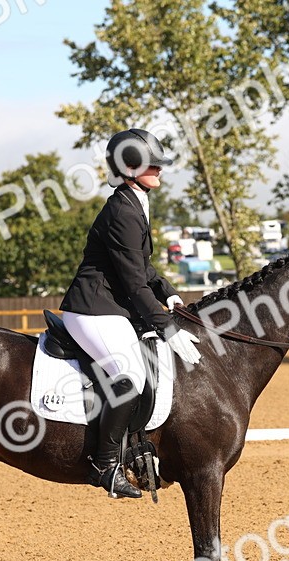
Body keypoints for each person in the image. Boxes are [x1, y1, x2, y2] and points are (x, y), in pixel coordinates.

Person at [59, 129, 202, 499]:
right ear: (129, 167)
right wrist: (167, 328)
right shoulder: (123, 209)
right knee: (129, 374)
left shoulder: (134, 201)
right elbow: (135, 284)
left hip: (110, 308)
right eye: (152, 164)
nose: (160, 170)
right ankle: (105, 466)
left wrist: (170, 296)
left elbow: (145, 269)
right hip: (92, 309)